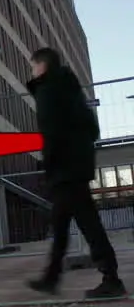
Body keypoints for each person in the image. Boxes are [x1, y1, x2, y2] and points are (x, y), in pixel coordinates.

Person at [26, 47, 126, 299]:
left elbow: (51, 134)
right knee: (65, 225)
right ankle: (52, 277)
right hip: (77, 167)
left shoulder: (48, 91)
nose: (32, 71)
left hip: (64, 171)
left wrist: (49, 165)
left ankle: (110, 279)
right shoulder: (72, 89)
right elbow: (93, 128)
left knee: (85, 226)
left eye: (33, 66)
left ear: (42, 66)